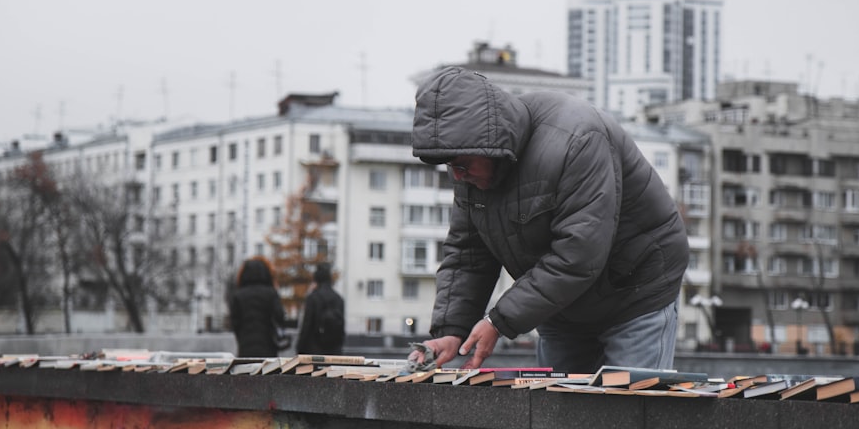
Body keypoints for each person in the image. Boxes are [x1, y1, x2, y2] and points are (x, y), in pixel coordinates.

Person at [409, 66, 690, 374]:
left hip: (635, 290)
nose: (457, 175)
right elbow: (467, 255)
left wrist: (498, 321)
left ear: (488, 144)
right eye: (450, 165)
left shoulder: (577, 138)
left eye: (461, 164)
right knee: (559, 412)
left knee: (632, 410)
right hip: (562, 303)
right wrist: (452, 329)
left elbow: (579, 255)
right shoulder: (472, 168)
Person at [230, 257, 286, 358]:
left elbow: (235, 322)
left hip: (245, 345)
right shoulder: (271, 293)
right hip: (268, 345)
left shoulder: (239, 295)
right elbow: (280, 316)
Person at [295, 262, 346, 355]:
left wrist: (299, 348)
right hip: (334, 351)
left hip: (314, 351)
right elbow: (342, 327)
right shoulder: (339, 299)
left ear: (316, 280)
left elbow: (306, 325)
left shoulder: (313, 298)